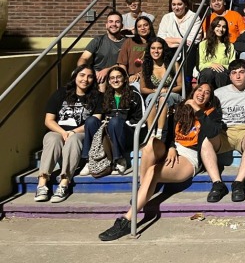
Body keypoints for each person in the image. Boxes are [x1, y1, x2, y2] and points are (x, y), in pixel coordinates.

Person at [98, 83, 226, 241]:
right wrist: (171, 147)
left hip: (189, 155)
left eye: (207, 93)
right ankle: (142, 192)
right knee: (149, 145)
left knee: (153, 171)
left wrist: (197, 109)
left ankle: (126, 220)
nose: (202, 94)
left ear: (209, 98)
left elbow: (212, 131)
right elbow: (167, 133)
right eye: (199, 90)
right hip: (173, 150)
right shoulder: (180, 108)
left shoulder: (211, 112)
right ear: (194, 91)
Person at [34, 65, 102, 203]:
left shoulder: (98, 97)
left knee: (74, 139)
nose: (85, 79)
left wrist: (73, 132)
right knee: (52, 139)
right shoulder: (61, 93)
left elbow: (96, 119)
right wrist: (63, 132)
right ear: (75, 76)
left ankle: (64, 183)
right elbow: (49, 120)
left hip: (81, 133)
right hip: (58, 131)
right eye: (82, 75)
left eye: (89, 76)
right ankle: (42, 184)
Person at [207, 59, 245, 203]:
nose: (238, 76)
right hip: (224, 132)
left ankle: (238, 183)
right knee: (205, 139)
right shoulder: (219, 93)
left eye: (241, 72)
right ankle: (217, 183)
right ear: (230, 76)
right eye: (234, 73)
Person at [79, 65, 145, 176]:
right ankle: (88, 160)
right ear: (109, 81)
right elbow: (99, 117)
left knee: (115, 121)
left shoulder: (135, 96)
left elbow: (140, 121)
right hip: (109, 134)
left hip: (129, 135)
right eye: (112, 78)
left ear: (125, 79)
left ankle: (119, 159)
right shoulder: (105, 97)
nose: (115, 80)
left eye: (118, 77)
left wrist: (120, 123)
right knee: (91, 121)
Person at [139, 37, 183, 140]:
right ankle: (151, 133)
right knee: (153, 99)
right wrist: (155, 91)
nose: (156, 51)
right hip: (154, 93)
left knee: (163, 98)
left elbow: (180, 86)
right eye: (153, 48)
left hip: (171, 94)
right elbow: (143, 88)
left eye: (159, 48)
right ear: (149, 50)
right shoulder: (145, 66)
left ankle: (159, 132)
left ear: (164, 50)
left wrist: (167, 90)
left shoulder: (173, 65)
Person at [157, 0, 202, 82]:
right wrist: (180, 40)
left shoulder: (194, 17)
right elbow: (160, 38)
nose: (176, 8)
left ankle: (186, 82)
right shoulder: (167, 17)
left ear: (185, 5)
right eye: (173, 5)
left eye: (179, 4)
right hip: (169, 50)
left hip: (187, 52)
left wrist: (170, 40)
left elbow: (192, 40)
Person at [77, 10, 125, 92]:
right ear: (106, 25)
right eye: (111, 21)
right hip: (96, 74)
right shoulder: (98, 40)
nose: (113, 24)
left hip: (117, 75)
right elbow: (83, 58)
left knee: (103, 82)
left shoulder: (127, 42)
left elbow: (125, 64)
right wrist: (86, 72)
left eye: (117, 22)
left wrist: (107, 70)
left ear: (122, 26)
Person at [195, 16, 236, 90]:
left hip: (223, 72)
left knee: (221, 73)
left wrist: (220, 66)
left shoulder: (230, 46)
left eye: (224, 27)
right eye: (218, 26)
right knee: (208, 73)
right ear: (213, 28)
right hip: (207, 72)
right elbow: (200, 65)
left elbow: (232, 65)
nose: (221, 29)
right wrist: (211, 65)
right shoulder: (203, 44)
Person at [117, 15, 156, 88]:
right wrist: (126, 78)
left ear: (150, 27)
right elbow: (122, 64)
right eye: (139, 26)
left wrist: (139, 75)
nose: (143, 28)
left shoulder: (155, 42)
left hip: (150, 77)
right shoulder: (129, 42)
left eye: (145, 25)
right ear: (136, 29)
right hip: (132, 79)